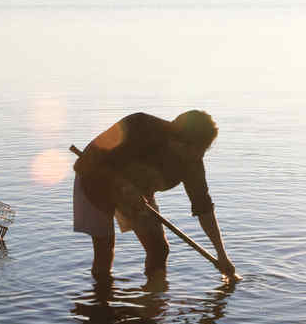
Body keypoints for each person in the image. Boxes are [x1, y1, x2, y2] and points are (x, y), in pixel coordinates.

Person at [73, 110, 235, 282]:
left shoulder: (193, 161)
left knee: (159, 250)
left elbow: (203, 207)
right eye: (193, 150)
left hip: (139, 191)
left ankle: (154, 301)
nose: (197, 157)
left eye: (202, 151)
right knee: (104, 251)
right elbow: (83, 164)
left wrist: (221, 255)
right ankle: (101, 300)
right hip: (94, 178)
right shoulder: (139, 125)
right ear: (175, 139)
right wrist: (122, 185)